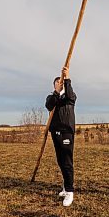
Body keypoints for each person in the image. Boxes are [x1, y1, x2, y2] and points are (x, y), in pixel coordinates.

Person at [45, 67, 77, 207]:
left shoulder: (70, 96)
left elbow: (70, 97)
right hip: (55, 132)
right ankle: (65, 187)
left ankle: (70, 191)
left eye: (61, 82)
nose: (60, 83)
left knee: (67, 161)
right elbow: (49, 105)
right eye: (57, 82)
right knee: (60, 160)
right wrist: (56, 92)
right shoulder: (52, 97)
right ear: (54, 85)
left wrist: (67, 78)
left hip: (66, 132)